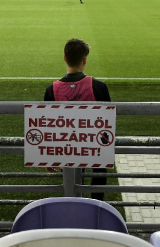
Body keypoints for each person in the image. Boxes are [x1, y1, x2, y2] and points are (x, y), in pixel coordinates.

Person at [44, 38, 111, 201]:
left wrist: (48, 158)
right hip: (95, 146)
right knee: (100, 166)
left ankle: (73, 203)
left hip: (66, 146)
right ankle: (97, 205)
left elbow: (47, 126)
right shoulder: (99, 87)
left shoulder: (51, 90)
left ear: (64, 58)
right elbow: (108, 123)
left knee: (69, 175)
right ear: (85, 60)